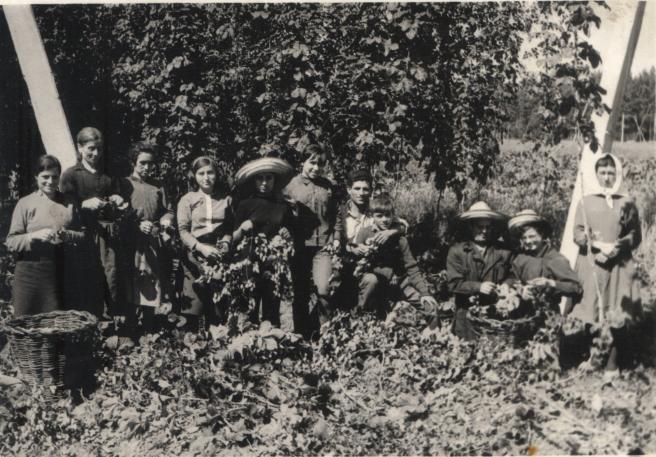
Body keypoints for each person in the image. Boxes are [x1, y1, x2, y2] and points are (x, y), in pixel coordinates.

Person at [568, 153, 642, 374]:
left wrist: (616, 249)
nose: (607, 177)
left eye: (611, 173)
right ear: (596, 174)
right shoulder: (586, 201)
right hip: (593, 263)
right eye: (603, 172)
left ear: (617, 174)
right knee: (592, 308)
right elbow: (577, 232)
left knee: (617, 310)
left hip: (619, 265)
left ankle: (612, 363)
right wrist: (593, 245)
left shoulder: (626, 202)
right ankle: (594, 357)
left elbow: (635, 235)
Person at [6, 155, 85, 316]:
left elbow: (83, 235)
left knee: (55, 322)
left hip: (59, 272)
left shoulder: (69, 203)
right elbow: (11, 241)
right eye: (45, 177)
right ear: (36, 176)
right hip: (29, 272)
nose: (50, 181)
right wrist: (33, 236)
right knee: (25, 322)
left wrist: (67, 235)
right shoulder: (25, 203)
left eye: (55, 177)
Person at [59, 127, 126, 318]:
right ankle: (87, 322)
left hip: (107, 235)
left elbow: (117, 199)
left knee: (110, 275)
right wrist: (83, 204)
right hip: (83, 235)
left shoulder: (107, 175)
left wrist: (117, 199)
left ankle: (112, 323)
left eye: (99, 148)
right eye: (90, 148)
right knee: (87, 278)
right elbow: (64, 208)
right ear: (79, 148)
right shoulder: (71, 175)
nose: (95, 153)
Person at [233, 157, 296, 331]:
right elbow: (233, 238)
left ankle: (271, 339)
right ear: (253, 181)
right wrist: (243, 228)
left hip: (273, 262)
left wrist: (286, 233)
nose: (264, 183)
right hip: (249, 260)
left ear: (275, 180)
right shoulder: (245, 204)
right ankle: (248, 339)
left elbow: (289, 233)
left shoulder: (282, 206)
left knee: (272, 302)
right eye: (259, 178)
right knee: (249, 302)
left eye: (269, 178)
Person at [119, 142, 175, 332]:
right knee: (131, 281)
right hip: (131, 241)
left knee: (151, 282)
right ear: (133, 162)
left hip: (152, 241)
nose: (147, 167)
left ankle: (149, 328)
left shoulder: (158, 186)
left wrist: (166, 221)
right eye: (142, 163)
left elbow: (168, 210)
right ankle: (129, 328)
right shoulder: (125, 184)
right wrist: (136, 224)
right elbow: (119, 213)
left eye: (150, 163)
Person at [283, 144, 338, 335]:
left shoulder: (329, 186)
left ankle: (325, 334)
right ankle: (301, 335)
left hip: (323, 246)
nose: (316, 168)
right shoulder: (290, 186)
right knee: (301, 293)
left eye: (320, 164)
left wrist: (335, 237)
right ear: (302, 162)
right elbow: (282, 215)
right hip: (299, 247)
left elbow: (337, 215)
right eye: (312, 163)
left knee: (324, 290)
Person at [352, 193, 438, 316]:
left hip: (399, 280)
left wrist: (425, 293)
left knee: (430, 308)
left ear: (393, 215)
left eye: (388, 215)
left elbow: (411, 266)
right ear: (372, 216)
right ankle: (359, 314)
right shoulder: (365, 233)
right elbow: (360, 265)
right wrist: (388, 272)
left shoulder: (399, 238)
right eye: (379, 216)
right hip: (373, 282)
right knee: (371, 281)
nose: (384, 219)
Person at [333, 167, 407, 309]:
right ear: (349, 190)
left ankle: (362, 312)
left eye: (365, 189)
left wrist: (389, 232)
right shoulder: (340, 212)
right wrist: (351, 248)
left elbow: (403, 226)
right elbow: (335, 237)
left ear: (370, 191)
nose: (361, 193)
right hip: (346, 262)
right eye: (357, 188)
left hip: (371, 265)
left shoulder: (375, 209)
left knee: (372, 281)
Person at [177, 156, 234, 331]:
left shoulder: (226, 199)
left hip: (219, 253)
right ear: (194, 176)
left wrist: (226, 242)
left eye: (210, 172)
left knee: (218, 302)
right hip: (195, 254)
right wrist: (200, 248)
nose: (206, 177)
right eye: (201, 173)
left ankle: (216, 340)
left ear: (217, 174)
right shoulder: (188, 199)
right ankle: (191, 341)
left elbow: (230, 227)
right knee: (194, 302)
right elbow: (183, 231)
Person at [446, 201, 514, 340]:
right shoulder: (457, 251)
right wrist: (479, 287)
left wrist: (507, 285)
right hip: (466, 317)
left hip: (495, 316)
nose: (484, 231)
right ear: (470, 226)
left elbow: (514, 274)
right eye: (480, 227)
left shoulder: (503, 251)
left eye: (488, 227)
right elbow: (454, 284)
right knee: (466, 350)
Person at [508, 209, 582, 311]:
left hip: (548, 313)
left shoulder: (555, 259)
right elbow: (512, 279)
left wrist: (551, 283)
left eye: (532, 236)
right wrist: (521, 290)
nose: (528, 241)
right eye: (524, 238)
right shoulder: (521, 258)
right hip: (521, 311)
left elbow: (575, 287)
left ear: (542, 234)